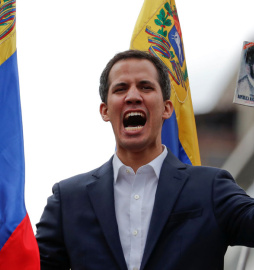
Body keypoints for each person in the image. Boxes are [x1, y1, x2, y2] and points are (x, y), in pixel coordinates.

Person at [36, 50, 254, 270]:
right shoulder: (67, 199)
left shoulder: (211, 188)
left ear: (167, 108)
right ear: (105, 111)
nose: (132, 96)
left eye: (146, 87)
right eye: (121, 89)